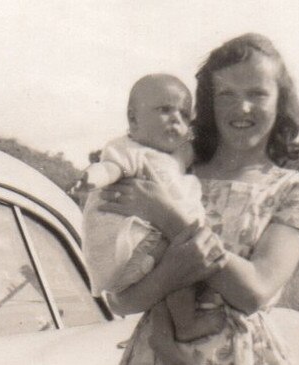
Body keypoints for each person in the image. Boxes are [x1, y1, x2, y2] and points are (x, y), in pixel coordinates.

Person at [100, 33, 299, 365]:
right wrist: (171, 274)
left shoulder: (295, 191)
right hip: (156, 352)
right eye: (226, 95)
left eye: (257, 93)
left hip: (241, 354)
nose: (242, 107)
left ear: (281, 101)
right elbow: (119, 299)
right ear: (207, 103)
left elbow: (254, 292)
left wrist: (170, 218)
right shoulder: (171, 172)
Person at [75, 74, 226, 342]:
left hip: (142, 249)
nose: (176, 120)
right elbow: (110, 168)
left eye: (183, 114)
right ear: (133, 119)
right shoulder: (130, 149)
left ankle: (169, 332)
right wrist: (91, 178)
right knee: (184, 259)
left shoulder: (171, 159)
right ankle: (186, 323)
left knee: (178, 268)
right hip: (130, 246)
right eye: (164, 110)